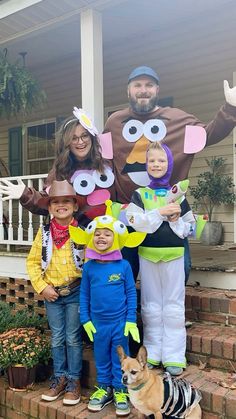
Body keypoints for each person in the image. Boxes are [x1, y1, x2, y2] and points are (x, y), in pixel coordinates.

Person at [104, 66, 236, 282]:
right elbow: (104, 162)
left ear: (157, 90)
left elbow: (208, 134)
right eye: (137, 85)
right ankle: (129, 316)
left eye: (149, 85)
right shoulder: (114, 123)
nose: (143, 90)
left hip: (170, 217)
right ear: (128, 91)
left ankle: (171, 316)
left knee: (176, 277)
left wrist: (230, 109)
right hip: (130, 216)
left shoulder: (177, 119)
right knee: (122, 278)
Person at [69, 201, 145, 416]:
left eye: (107, 234)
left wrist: (131, 320)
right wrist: (85, 319)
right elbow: (84, 294)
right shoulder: (90, 266)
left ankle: (121, 390)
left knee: (120, 358)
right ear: (91, 237)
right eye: (98, 234)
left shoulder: (123, 266)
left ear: (117, 238)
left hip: (120, 323)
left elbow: (131, 293)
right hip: (98, 324)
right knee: (101, 355)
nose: (102, 237)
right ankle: (104, 388)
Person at [126, 142, 195, 376]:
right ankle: (153, 352)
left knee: (174, 307)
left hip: (174, 257)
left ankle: (175, 355)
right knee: (151, 306)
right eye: (152, 161)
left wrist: (175, 219)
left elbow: (190, 228)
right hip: (147, 257)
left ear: (169, 164)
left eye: (161, 160)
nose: (156, 164)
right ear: (146, 165)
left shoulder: (179, 195)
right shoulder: (140, 194)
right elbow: (134, 221)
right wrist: (159, 213)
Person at [0, 107, 115, 226]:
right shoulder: (61, 169)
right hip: (76, 236)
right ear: (67, 143)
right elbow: (48, 201)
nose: (80, 142)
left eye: (84, 136)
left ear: (91, 137)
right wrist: (25, 194)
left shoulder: (107, 163)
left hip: (108, 233)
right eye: (74, 138)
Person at [26, 180, 84, 405]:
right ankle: (59, 378)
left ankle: (74, 381)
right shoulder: (45, 234)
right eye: (56, 202)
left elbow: (89, 262)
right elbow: (32, 263)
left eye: (66, 201)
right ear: (49, 208)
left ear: (75, 206)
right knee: (57, 338)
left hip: (76, 293)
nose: (61, 205)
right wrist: (43, 287)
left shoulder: (81, 234)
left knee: (72, 337)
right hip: (53, 295)